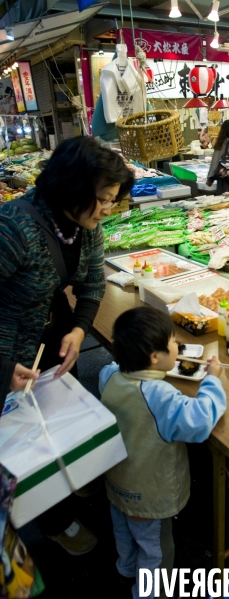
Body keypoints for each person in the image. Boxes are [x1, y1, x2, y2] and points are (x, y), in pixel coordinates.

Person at [0, 136, 134, 555]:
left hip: (55, 339)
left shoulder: (85, 225)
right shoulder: (13, 228)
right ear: (73, 189)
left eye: (113, 199)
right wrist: (1, 369)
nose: (108, 209)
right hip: (8, 352)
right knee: (25, 443)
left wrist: (78, 329)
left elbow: (93, 282)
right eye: (103, 199)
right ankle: (52, 520)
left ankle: (72, 477)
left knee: (60, 421)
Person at [99, 307, 226, 599]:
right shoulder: (160, 396)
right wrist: (212, 380)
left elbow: (112, 368)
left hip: (116, 483)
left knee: (123, 532)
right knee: (155, 549)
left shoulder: (109, 376)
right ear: (155, 357)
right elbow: (200, 420)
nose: (177, 347)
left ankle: (125, 569)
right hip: (149, 493)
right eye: (172, 343)